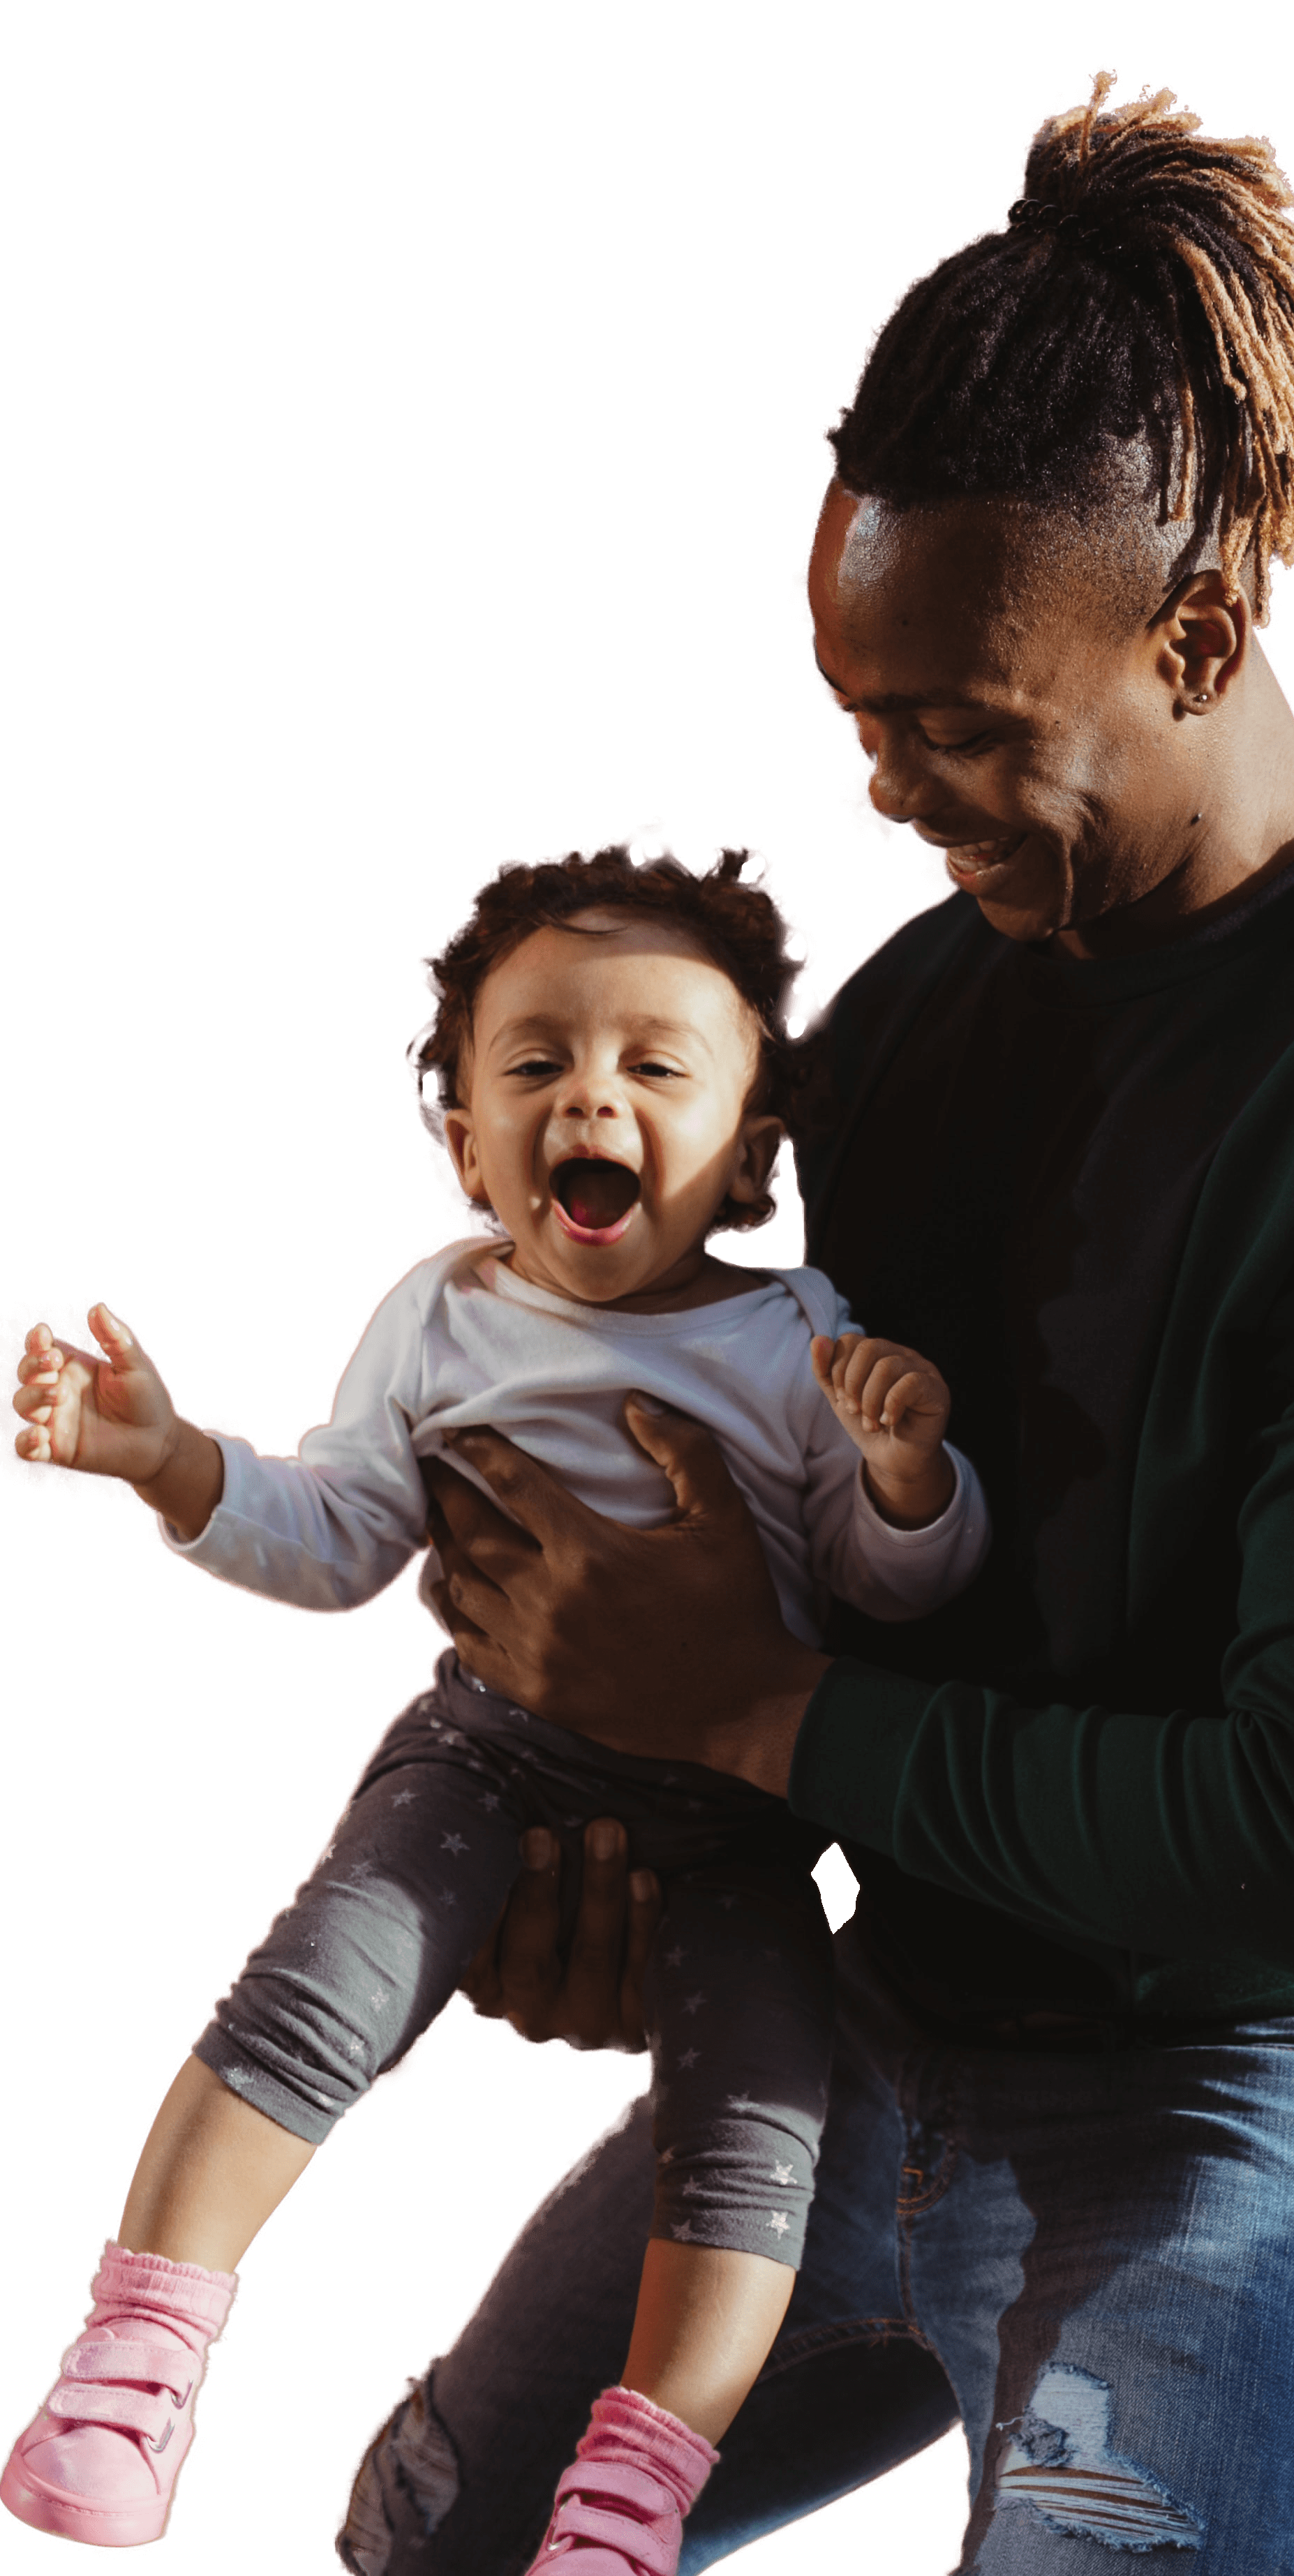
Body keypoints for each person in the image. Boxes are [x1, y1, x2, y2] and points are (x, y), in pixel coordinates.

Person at [326, 71, 1294, 2576]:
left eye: (958, 728)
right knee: (433, 2527)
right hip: (906, 2011)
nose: (876, 798)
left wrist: (742, 1712)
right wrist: (603, 1854)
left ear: (1194, 624)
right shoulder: (925, 1020)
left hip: (1285, 2076)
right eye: (859, 715)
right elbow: (806, 1550)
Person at [0, 841, 990, 2564]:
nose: (586, 1098)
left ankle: (630, 2494)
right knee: (323, 1981)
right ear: (465, 1145)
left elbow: (881, 1592)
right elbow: (336, 1534)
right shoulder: (443, 1319)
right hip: (484, 1751)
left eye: (652, 1067)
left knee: (760, 2132)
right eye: (534, 1064)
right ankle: (137, 2350)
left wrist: (908, 1480)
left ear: (754, 1150)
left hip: (740, 1816)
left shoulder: (794, 1344)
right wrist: (167, 1461)